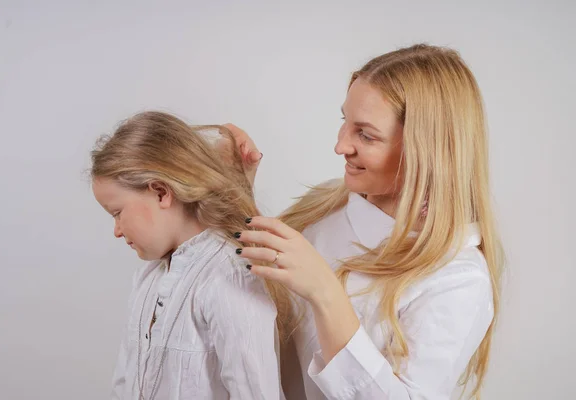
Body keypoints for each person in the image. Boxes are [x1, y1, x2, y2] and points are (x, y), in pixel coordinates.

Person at [229, 43, 505, 399]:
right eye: (345, 121)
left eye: (366, 134)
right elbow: (256, 312)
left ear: (426, 152)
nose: (340, 146)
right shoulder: (326, 207)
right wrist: (237, 193)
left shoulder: (457, 278)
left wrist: (326, 293)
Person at [90, 112, 292, 399]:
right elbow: (124, 385)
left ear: (161, 192)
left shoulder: (230, 276)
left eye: (118, 213)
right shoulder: (146, 279)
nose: (117, 231)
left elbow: (256, 392)